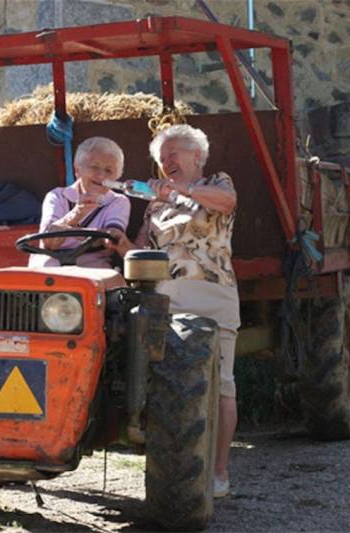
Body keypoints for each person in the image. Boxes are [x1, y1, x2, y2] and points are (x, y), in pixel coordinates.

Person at [106, 124, 239, 499]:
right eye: (162, 158)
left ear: (197, 155)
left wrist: (181, 189)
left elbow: (226, 204)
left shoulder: (217, 182)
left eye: (174, 154)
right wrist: (120, 245)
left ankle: (219, 472)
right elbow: (144, 254)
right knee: (163, 381)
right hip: (165, 297)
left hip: (212, 292)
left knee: (222, 384)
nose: (167, 163)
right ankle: (174, 467)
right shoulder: (155, 204)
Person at [29, 136, 130, 268]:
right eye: (94, 167)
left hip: (93, 266)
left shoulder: (118, 202)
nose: (101, 176)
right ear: (77, 170)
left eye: (108, 170)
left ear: (117, 177)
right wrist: (77, 214)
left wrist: (107, 237)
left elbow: (111, 238)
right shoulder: (57, 196)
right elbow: (48, 242)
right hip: (52, 262)